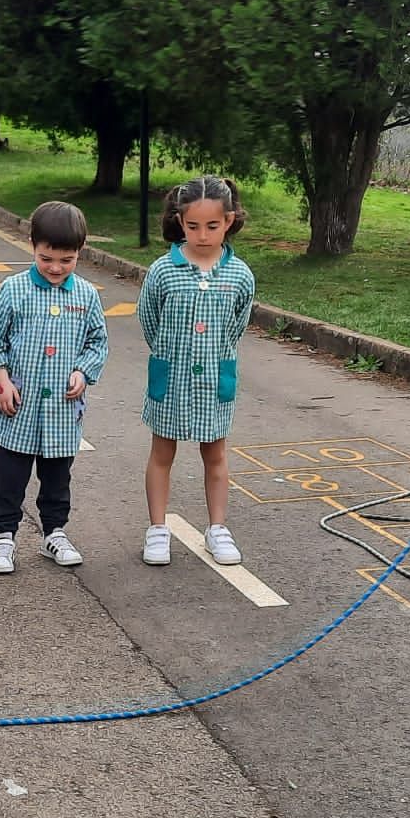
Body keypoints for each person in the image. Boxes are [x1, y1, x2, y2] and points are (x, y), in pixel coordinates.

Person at [0, 201, 109, 573]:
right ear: (33, 246)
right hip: (15, 408)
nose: (55, 268)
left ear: (80, 252)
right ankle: (4, 537)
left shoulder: (85, 295)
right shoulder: (14, 289)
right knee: (9, 478)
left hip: (61, 414)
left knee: (57, 478)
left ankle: (55, 532)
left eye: (66, 260)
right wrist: (1, 379)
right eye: (46, 258)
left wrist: (83, 372)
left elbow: (97, 342)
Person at [139, 177, 257, 569]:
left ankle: (218, 528)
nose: (202, 235)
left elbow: (237, 326)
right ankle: (157, 528)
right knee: (162, 452)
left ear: (228, 221)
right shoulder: (162, 271)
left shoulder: (240, 275)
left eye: (212, 226)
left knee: (216, 454)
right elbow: (149, 319)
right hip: (170, 377)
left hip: (214, 381)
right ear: (180, 221)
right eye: (193, 227)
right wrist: (170, 351)